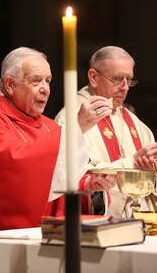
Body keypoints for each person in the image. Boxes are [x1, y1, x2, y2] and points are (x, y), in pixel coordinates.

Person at [0, 47, 115, 233]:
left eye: (48, 81)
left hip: (47, 239)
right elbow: (15, 173)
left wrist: (87, 186)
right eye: (36, 81)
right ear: (10, 85)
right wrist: (77, 127)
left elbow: (54, 184)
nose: (45, 89)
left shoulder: (49, 126)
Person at [55, 46, 157, 218]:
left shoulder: (137, 125)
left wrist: (152, 173)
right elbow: (76, 178)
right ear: (93, 77)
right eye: (117, 79)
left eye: (129, 80)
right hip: (98, 228)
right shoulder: (72, 118)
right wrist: (133, 164)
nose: (125, 87)